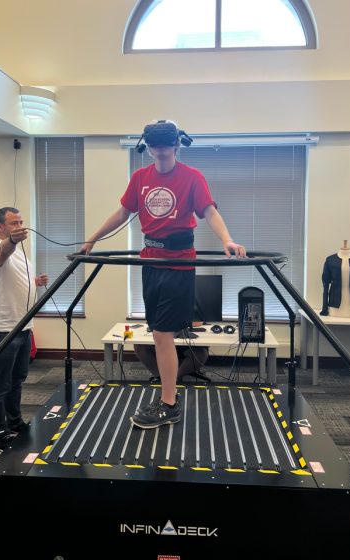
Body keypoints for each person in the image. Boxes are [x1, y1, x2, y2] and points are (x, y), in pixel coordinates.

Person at [80, 119, 246, 429]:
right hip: (150, 262)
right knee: (158, 333)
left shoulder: (192, 177)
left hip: (178, 263)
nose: (160, 153)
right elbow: (122, 213)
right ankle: (169, 397)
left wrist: (227, 240)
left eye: (165, 147)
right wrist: (93, 238)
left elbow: (209, 211)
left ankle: (169, 402)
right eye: (154, 148)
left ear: (176, 146)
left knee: (162, 335)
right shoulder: (140, 177)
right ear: (149, 148)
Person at [0, 207, 48, 452]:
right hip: (1, 329)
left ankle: (14, 422)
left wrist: (35, 283)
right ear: (0, 227)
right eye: (13, 223)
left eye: (21, 221)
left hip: (22, 327)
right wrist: (11, 240)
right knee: (0, 385)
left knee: (17, 380)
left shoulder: (22, 254)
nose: (20, 226)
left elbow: (14, 282)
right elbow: (2, 253)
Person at [134, 343, 209, 382]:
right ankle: (160, 377)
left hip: (188, 343)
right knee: (139, 346)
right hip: (164, 337)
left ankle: (174, 379)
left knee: (201, 354)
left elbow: (201, 320)